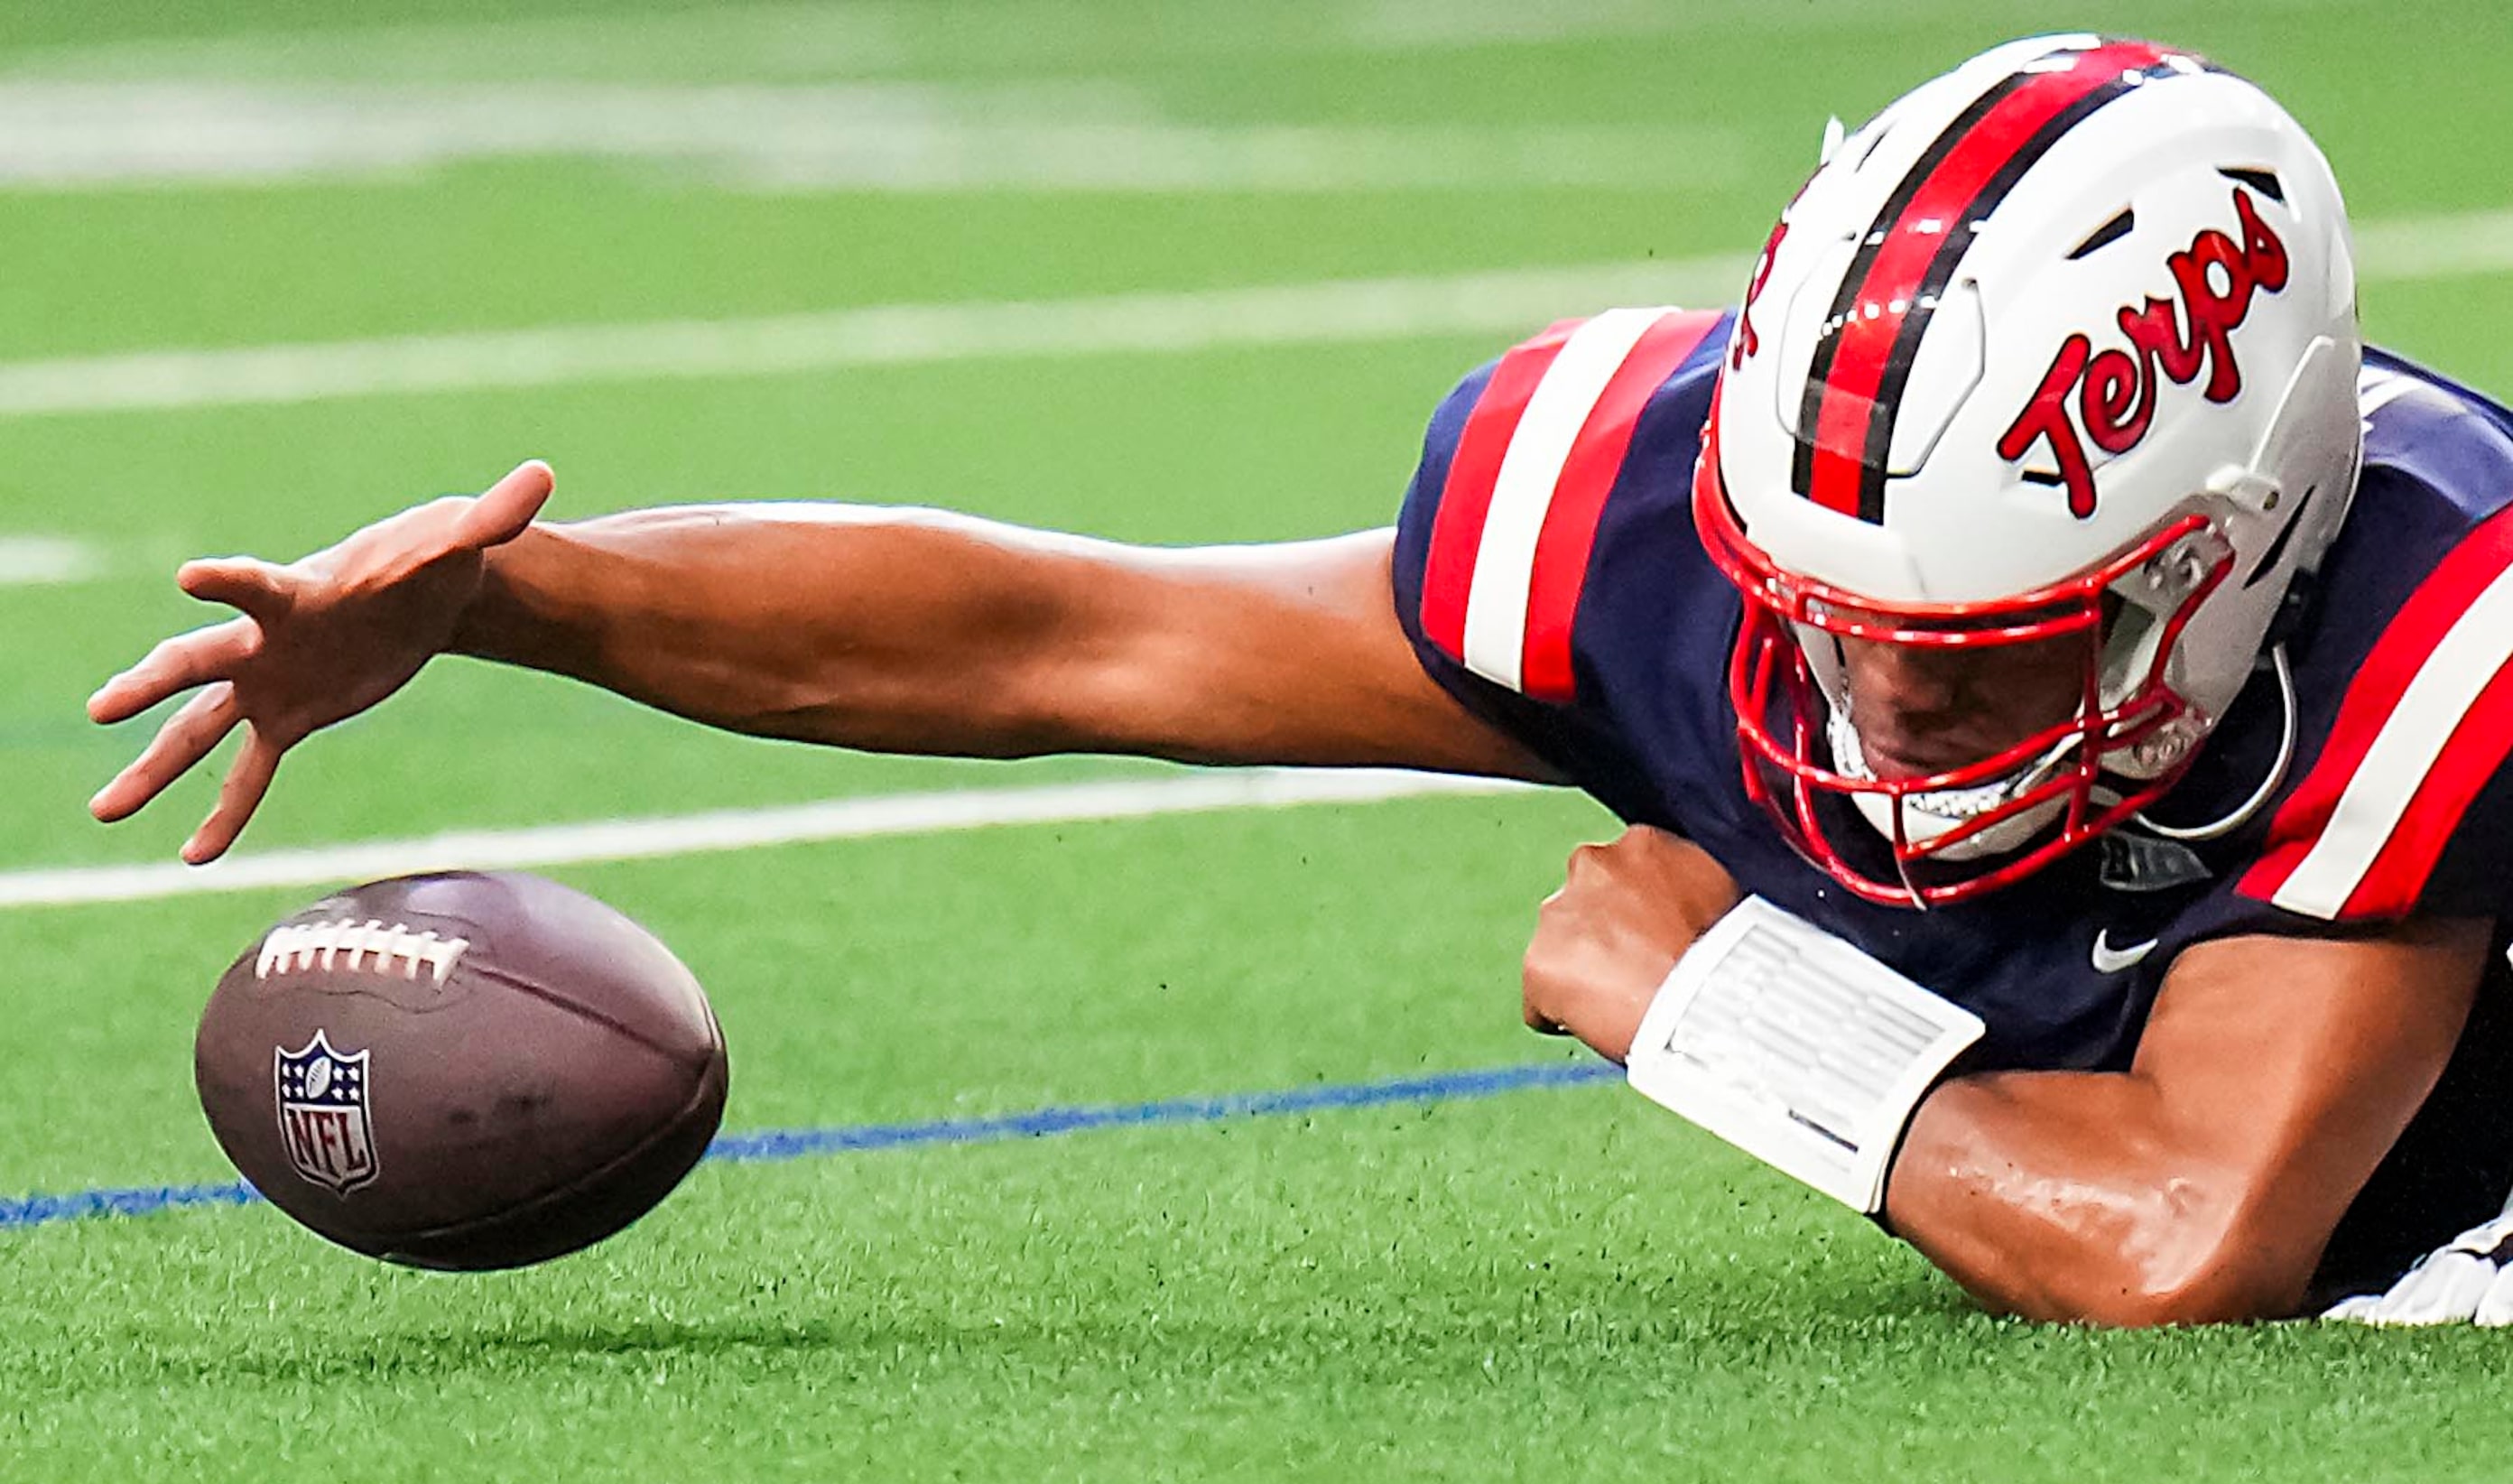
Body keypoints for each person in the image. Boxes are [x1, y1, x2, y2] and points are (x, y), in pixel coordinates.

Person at [89, 35, 2513, 1327]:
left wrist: (1737, 1018)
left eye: (1965, 666)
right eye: (1819, 622)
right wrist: (524, 601)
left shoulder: (2427, 618)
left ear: (2228, 569)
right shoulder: (1661, 532)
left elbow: (2198, 1229)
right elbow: (1065, 629)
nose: (1862, 720)